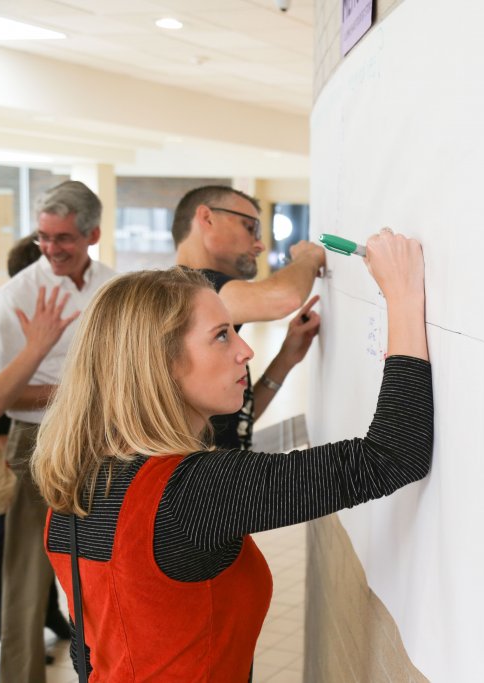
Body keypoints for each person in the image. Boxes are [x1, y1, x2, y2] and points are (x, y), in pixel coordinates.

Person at [31, 228, 432, 680]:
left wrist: (282, 364)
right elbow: (393, 455)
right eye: (221, 336)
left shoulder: (80, 481)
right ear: (158, 364)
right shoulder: (194, 492)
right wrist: (401, 295)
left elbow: (89, 650)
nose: (244, 350)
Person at [0, 180, 116, 683]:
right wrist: (79, 393)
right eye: (44, 238)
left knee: (104, 573)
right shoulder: (19, 293)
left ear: (92, 234)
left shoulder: (113, 287)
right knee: (25, 583)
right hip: (34, 446)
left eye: (64, 239)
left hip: (105, 447)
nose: (52, 249)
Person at [172, 185, 327, 449]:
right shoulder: (188, 291)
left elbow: (234, 420)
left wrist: (285, 359)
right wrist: (308, 257)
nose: (260, 244)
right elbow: (285, 297)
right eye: (250, 227)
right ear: (207, 218)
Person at [0, 234, 73, 641]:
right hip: (17, 447)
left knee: (39, 548)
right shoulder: (4, 322)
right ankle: (15, 627)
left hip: (48, 444)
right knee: (16, 552)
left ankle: (45, 615)